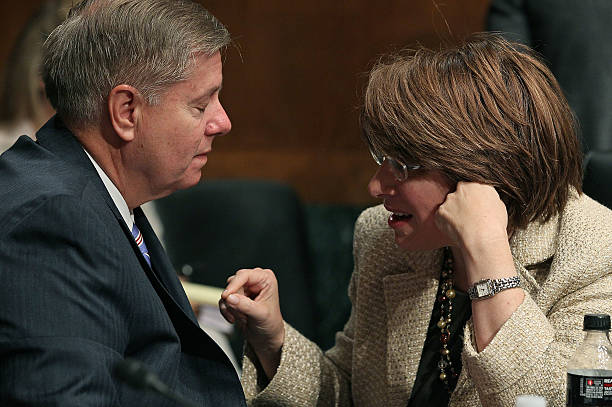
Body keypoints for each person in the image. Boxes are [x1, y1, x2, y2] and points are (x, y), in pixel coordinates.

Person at [220, 33, 612, 406]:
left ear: (481, 171)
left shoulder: (595, 250)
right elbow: (352, 394)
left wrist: (486, 252)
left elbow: (545, 400)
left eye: (402, 166)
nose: (376, 186)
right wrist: (273, 339)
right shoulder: (381, 237)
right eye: (381, 160)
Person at [0, 0, 245, 405]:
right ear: (126, 111)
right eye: (200, 106)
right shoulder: (50, 220)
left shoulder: (96, 190)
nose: (223, 122)